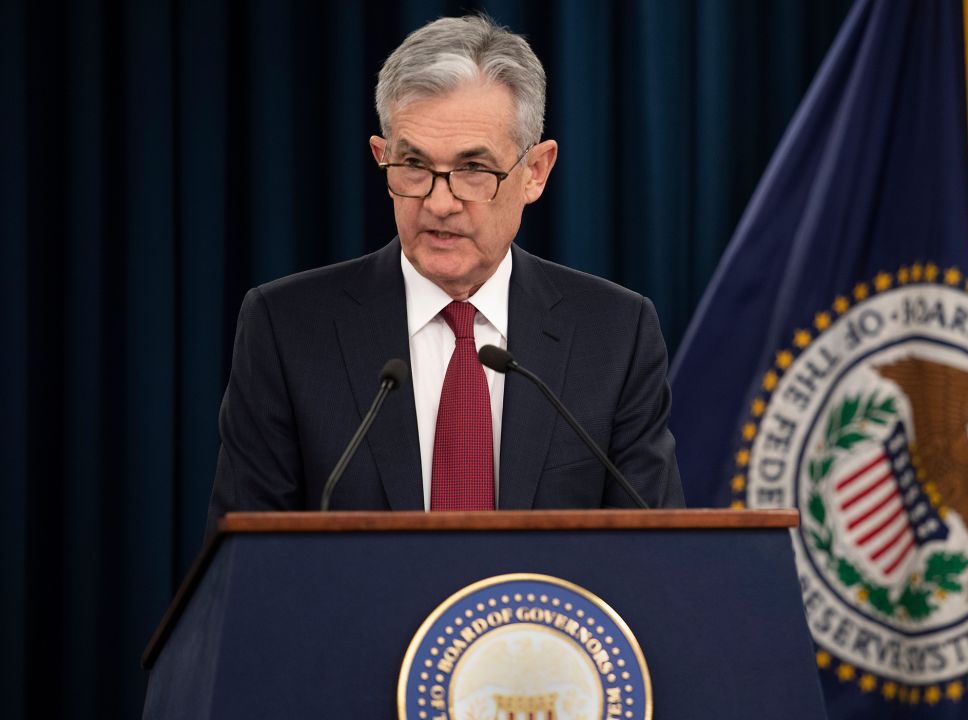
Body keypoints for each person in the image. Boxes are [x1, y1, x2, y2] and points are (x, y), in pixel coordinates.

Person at [206, 15, 684, 533]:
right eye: (413, 165)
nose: (439, 203)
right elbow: (242, 574)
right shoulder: (287, 329)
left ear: (536, 173)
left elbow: (655, 561)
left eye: (473, 169)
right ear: (381, 157)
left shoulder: (614, 333)